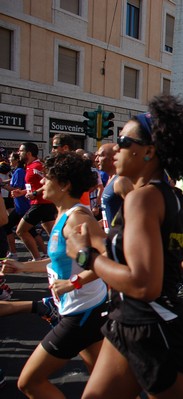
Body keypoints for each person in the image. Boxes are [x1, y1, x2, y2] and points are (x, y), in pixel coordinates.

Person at [64, 94, 183, 398]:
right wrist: (168, 275)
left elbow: (143, 285)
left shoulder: (144, 198)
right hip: (127, 319)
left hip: (155, 326)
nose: (116, 147)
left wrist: (86, 256)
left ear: (148, 151)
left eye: (123, 141)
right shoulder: (172, 196)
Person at [2, 152, 107, 398]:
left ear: (64, 185)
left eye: (47, 179)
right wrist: (22, 267)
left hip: (80, 312)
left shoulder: (78, 218)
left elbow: (107, 260)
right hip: (80, 309)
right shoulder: (63, 214)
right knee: (105, 385)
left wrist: (73, 283)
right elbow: (62, 260)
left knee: (29, 383)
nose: (41, 184)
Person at [13, 142, 57, 260]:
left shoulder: (37, 166)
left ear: (28, 153)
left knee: (21, 231)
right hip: (42, 204)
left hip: (41, 204)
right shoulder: (29, 166)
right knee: (55, 236)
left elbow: (49, 183)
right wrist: (22, 192)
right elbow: (33, 186)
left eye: (20, 151)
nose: (18, 153)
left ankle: (37, 259)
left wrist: (34, 193)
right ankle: (64, 257)